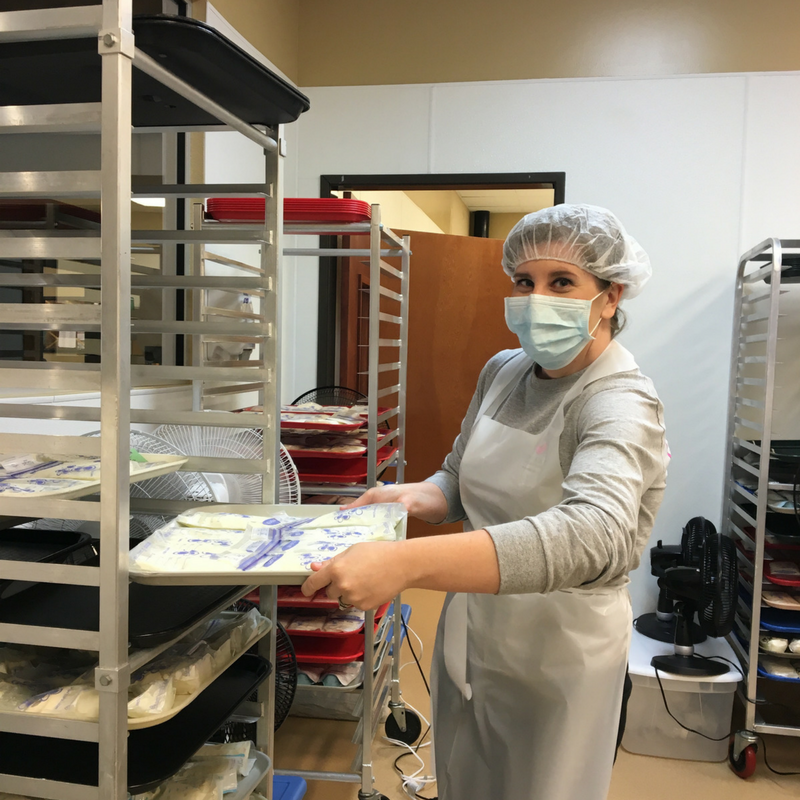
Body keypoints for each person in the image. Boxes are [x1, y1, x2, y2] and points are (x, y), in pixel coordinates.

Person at [301, 204, 669, 800]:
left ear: (610, 295)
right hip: (475, 627)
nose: (535, 298)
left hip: (559, 648)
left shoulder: (619, 402)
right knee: (465, 774)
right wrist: (414, 497)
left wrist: (407, 564)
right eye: (524, 282)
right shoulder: (504, 370)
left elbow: (594, 535)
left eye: (562, 282)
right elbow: (458, 475)